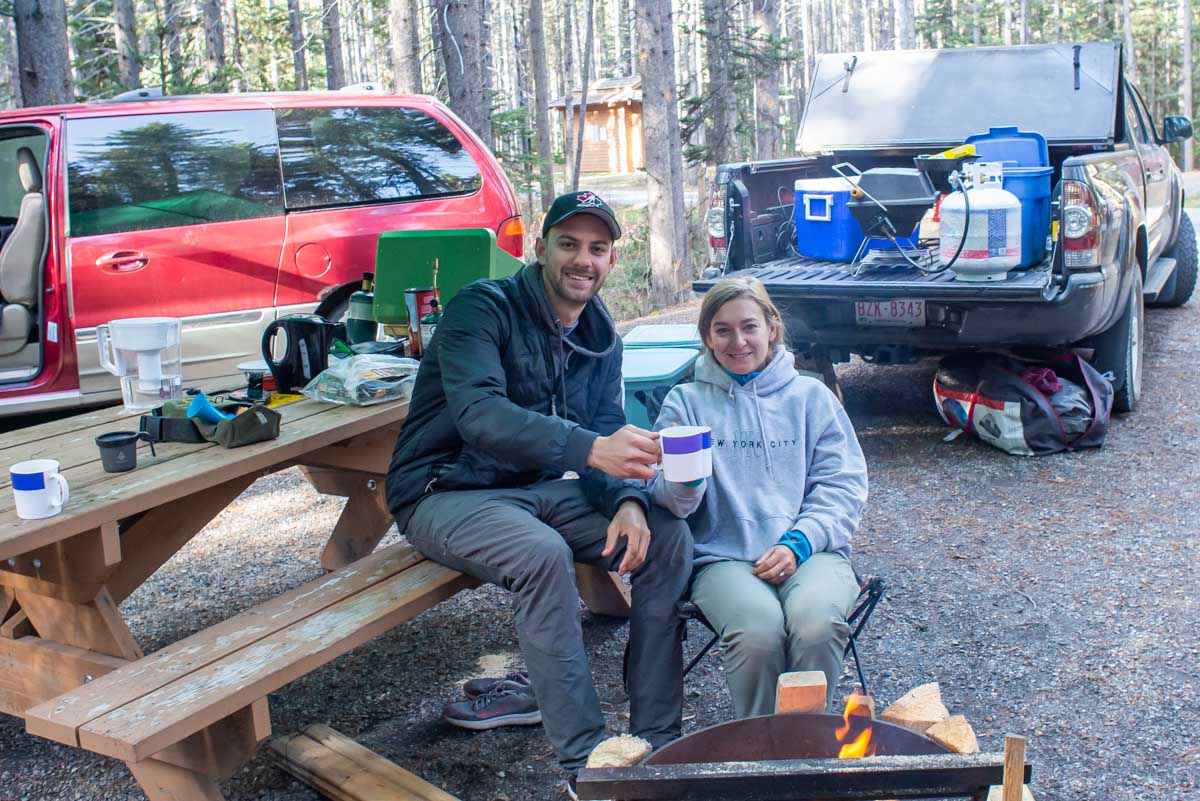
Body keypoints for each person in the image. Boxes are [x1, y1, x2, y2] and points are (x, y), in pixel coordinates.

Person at [385, 190, 692, 795]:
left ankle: (657, 742)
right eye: (569, 244)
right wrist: (589, 449)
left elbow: (606, 429)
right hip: (445, 490)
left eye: (597, 249)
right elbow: (480, 416)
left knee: (668, 535)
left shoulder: (601, 333)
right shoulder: (481, 308)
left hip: (536, 491)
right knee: (542, 555)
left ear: (611, 260)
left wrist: (629, 501)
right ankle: (589, 769)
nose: (583, 259)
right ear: (541, 248)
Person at [649, 276, 868, 718]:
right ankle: (760, 747)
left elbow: (843, 485)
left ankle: (806, 744)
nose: (738, 341)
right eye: (723, 330)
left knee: (816, 625)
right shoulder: (685, 403)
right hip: (723, 557)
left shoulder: (811, 397)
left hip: (812, 551)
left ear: (772, 328)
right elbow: (664, 498)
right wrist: (684, 484)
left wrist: (799, 542)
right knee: (757, 633)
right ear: (707, 338)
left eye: (749, 326)